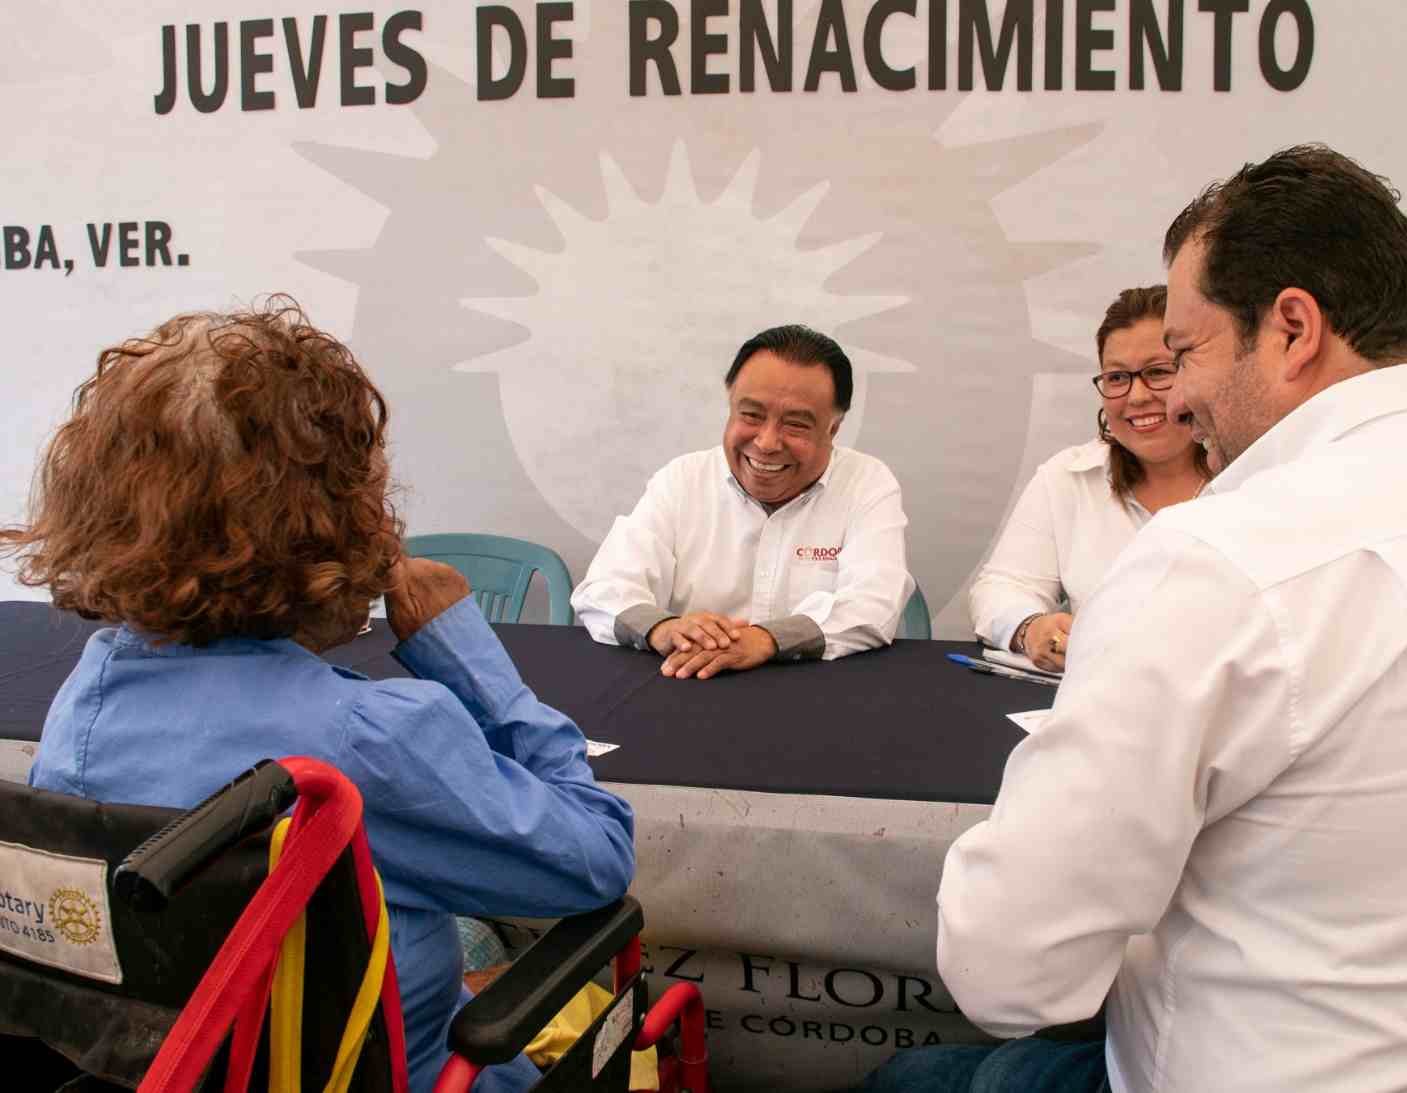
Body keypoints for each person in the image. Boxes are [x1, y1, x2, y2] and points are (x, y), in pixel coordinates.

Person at [864, 144, 1407, 1092]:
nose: (1176, 395)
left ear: (1293, 328)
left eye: (1182, 354)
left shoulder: (1218, 560)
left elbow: (1007, 968)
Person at [3, 301, 635, 1092]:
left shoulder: (87, 699)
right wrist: (472, 660)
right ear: (332, 520)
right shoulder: (369, 737)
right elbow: (598, 860)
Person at [570, 324, 913, 679]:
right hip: (693, 688)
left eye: (795, 424)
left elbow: (876, 603)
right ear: (730, 403)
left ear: (833, 428)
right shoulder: (682, 479)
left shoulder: (867, 483)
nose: (766, 443)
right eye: (751, 415)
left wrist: (764, 639)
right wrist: (665, 629)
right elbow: (602, 589)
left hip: (818, 694)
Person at [968, 286, 1209, 671]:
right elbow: (1000, 587)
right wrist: (1032, 628)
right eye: (1117, 378)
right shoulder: (1067, 478)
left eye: (1158, 372)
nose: (1137, 396)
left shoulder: (1252, 475)